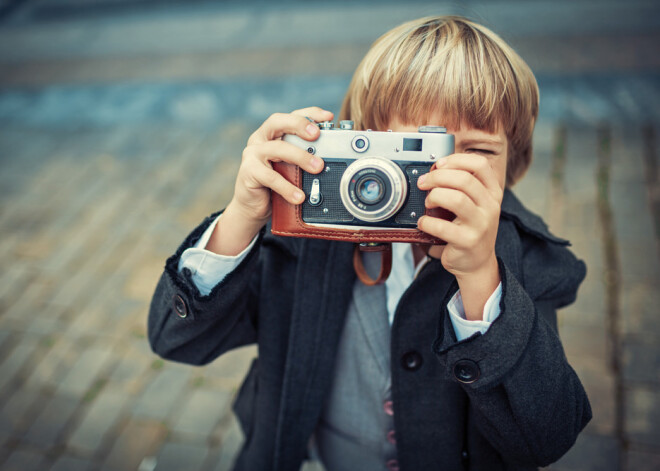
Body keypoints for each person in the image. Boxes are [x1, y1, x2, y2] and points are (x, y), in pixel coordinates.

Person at [148, 15, 591, 471]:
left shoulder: (525, 256)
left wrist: (481, 280)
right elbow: (175, 341)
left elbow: (547, 437)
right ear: (364, 140)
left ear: (512, 161)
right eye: (417, 146)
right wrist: (241, 217)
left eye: (476, 153)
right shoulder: (307, 236)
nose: (446, 175)